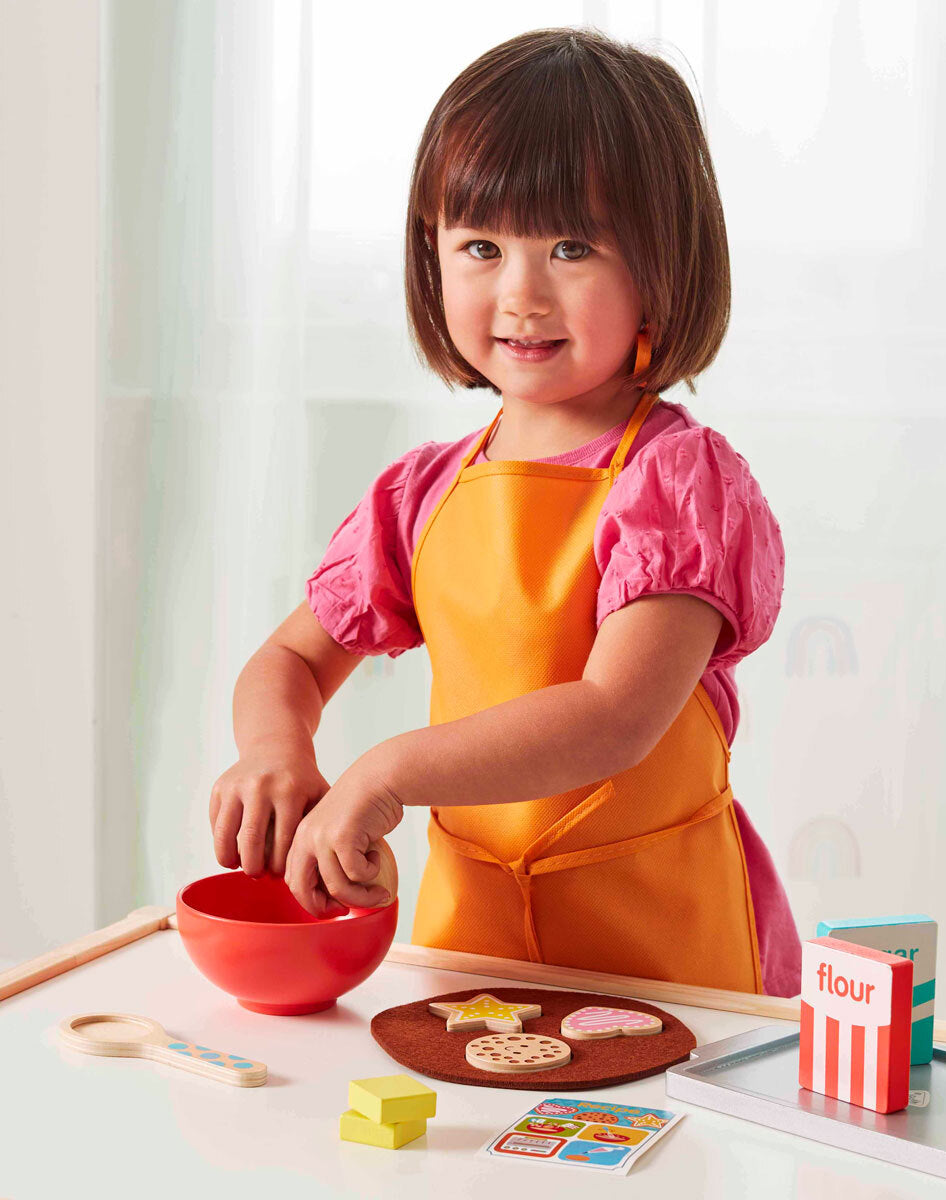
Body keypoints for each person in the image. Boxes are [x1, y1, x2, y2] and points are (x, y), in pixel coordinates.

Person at [209, 26, 803, 996]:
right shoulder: (420, 494)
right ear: (430, 255)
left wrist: (388, 770)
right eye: (481, 246)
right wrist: (276, 754)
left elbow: (614, 717)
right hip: (469, 951)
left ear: (662, 261)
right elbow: (289, 661)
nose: (521, 293)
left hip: (662, 963)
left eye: (572, 246)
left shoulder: (679, 484)